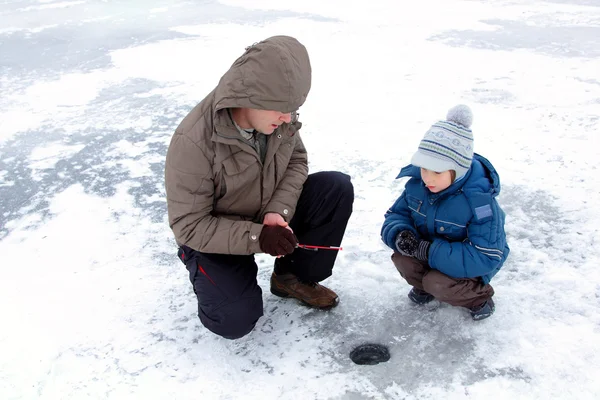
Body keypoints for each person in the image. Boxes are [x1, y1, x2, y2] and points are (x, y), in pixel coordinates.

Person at [165, 36, 354, 339]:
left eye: (293, 109)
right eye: (281, 109)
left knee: (335, 188)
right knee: (234, 319)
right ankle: (214, 278)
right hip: (216, 233)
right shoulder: (193, 141)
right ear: (249, 98)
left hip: (265, 214)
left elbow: (296, 161)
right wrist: (258, 237)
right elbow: (189, 225)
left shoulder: (278, 119)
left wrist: (276, 213)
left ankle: (291, 278)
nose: (288, 118)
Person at [380, 105, 509, 320]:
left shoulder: (479, 203)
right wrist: (399, 233)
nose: (427, 178)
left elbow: (486, 255)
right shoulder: (417, 186)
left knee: (436, 282)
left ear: (458, 170)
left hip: (471, 266)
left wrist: (429, 251)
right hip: (431, 254)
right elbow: (396, 215)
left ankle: (477, 296)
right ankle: (426, 286)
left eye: (437, 171)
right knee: (404, 260)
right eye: (423, 169)